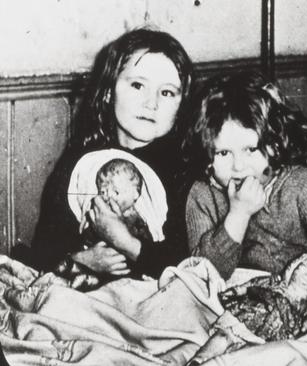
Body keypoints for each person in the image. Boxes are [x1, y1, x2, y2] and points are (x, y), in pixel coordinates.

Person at [184, 71, 307, 331]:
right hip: (232, 302)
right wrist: (238, 215)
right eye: (223, 153)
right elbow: (202, 276)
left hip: (298, 300)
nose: (238, 166)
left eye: (251, 149)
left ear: (275, 145)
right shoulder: (202, 195)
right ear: (207, 156)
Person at [28, 28, 194, 279]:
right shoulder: (80, 164)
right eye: (138, 85)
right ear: (108, 92)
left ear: (181, 107)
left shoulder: (183, 170)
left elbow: (188, 261)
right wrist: (82, 260)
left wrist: (126, 242)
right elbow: (46, 247)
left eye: (167, 92)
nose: (152, 103)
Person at [187, 253, 307, 365]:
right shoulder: (273, 282)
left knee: (244, 357)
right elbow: (251, 286)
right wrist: (236, 291)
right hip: (244, 318)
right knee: (221, 339)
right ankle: (199, 360)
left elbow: (300, 332)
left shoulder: (304, 310)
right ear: (295, 265)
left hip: (267, 338)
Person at [55, 156, 156, 290]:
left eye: (116, 192)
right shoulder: (99, 215)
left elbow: (144, 244)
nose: (108, 197)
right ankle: (81, 275)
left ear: (136, 194)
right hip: (98, 262)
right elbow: (85, 238)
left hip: (126, 272)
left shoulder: (136, 219)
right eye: (103, 192)